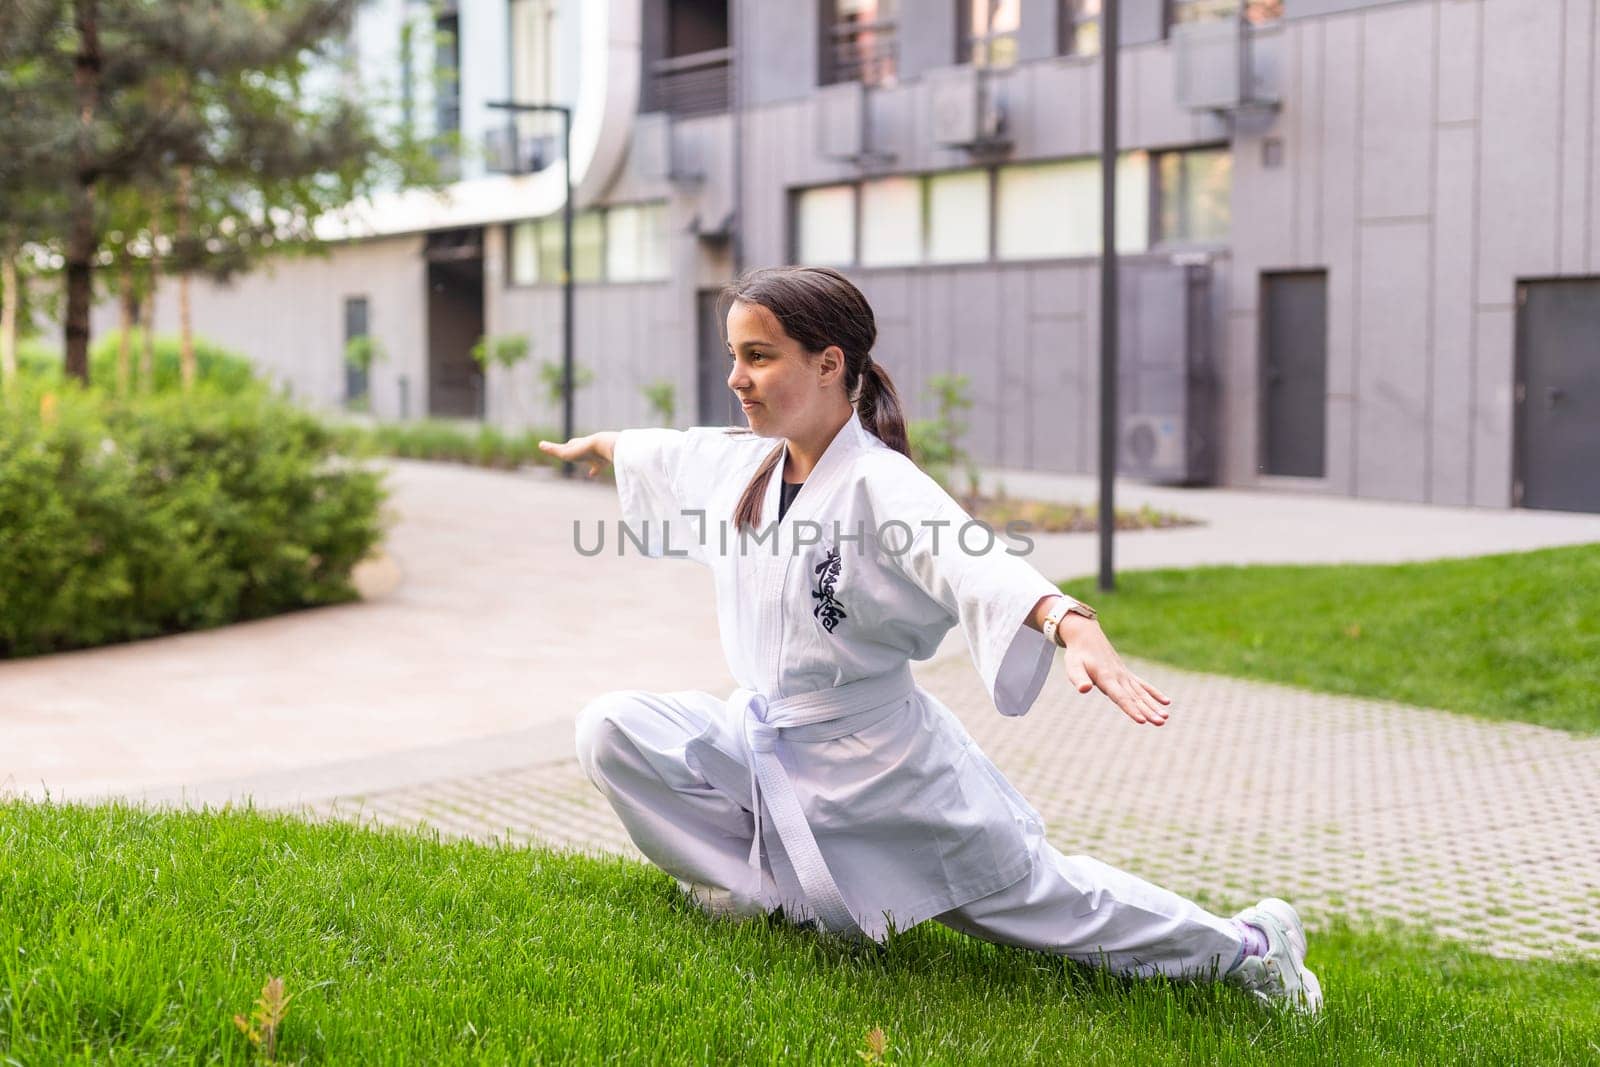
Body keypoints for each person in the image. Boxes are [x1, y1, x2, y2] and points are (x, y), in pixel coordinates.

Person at [539, 266, 1321, 1014]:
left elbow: (975, 560)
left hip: (882, 776)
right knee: (613, 727)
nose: (737, 377)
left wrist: (1068, 621)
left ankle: (1250, 948)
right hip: (769, 738)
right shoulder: (746, 466)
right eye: (733, 357)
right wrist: (600, 443)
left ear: (828, 363)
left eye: (759, 356)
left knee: (1059, 907)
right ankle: (762, 899)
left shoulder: (885, 487)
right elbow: (665, 452)